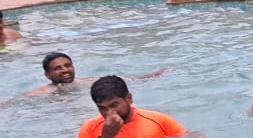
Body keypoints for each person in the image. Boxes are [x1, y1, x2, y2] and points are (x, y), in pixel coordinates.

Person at [74, 75, 187, 138]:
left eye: (114, 105)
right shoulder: (89, 128)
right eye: (102, 108)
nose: (109, 113)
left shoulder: (158, 120)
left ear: (129, 98)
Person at [26, 52, 168, 96]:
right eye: (57, 68)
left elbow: (121, 79)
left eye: (68, 65)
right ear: (47, 75)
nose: (65, 70)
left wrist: (151, 76)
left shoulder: (87, 82)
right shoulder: (42, 93)